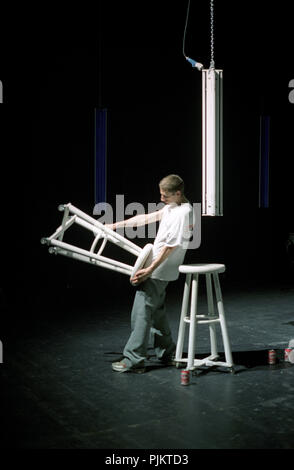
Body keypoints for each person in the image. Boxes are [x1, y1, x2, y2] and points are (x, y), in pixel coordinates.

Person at [109, 174, 194, 373]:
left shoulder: (184, 212)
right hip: (160, 269)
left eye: (165, 195)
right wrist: (115, 225)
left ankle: (134, 359)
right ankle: (166, 353)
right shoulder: (174, 207)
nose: (162, 198)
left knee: (141, 312)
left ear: (178, 193)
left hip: (159, 269)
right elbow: (146, 218)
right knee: (157, 312)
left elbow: (170, 247)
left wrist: (149, 269)